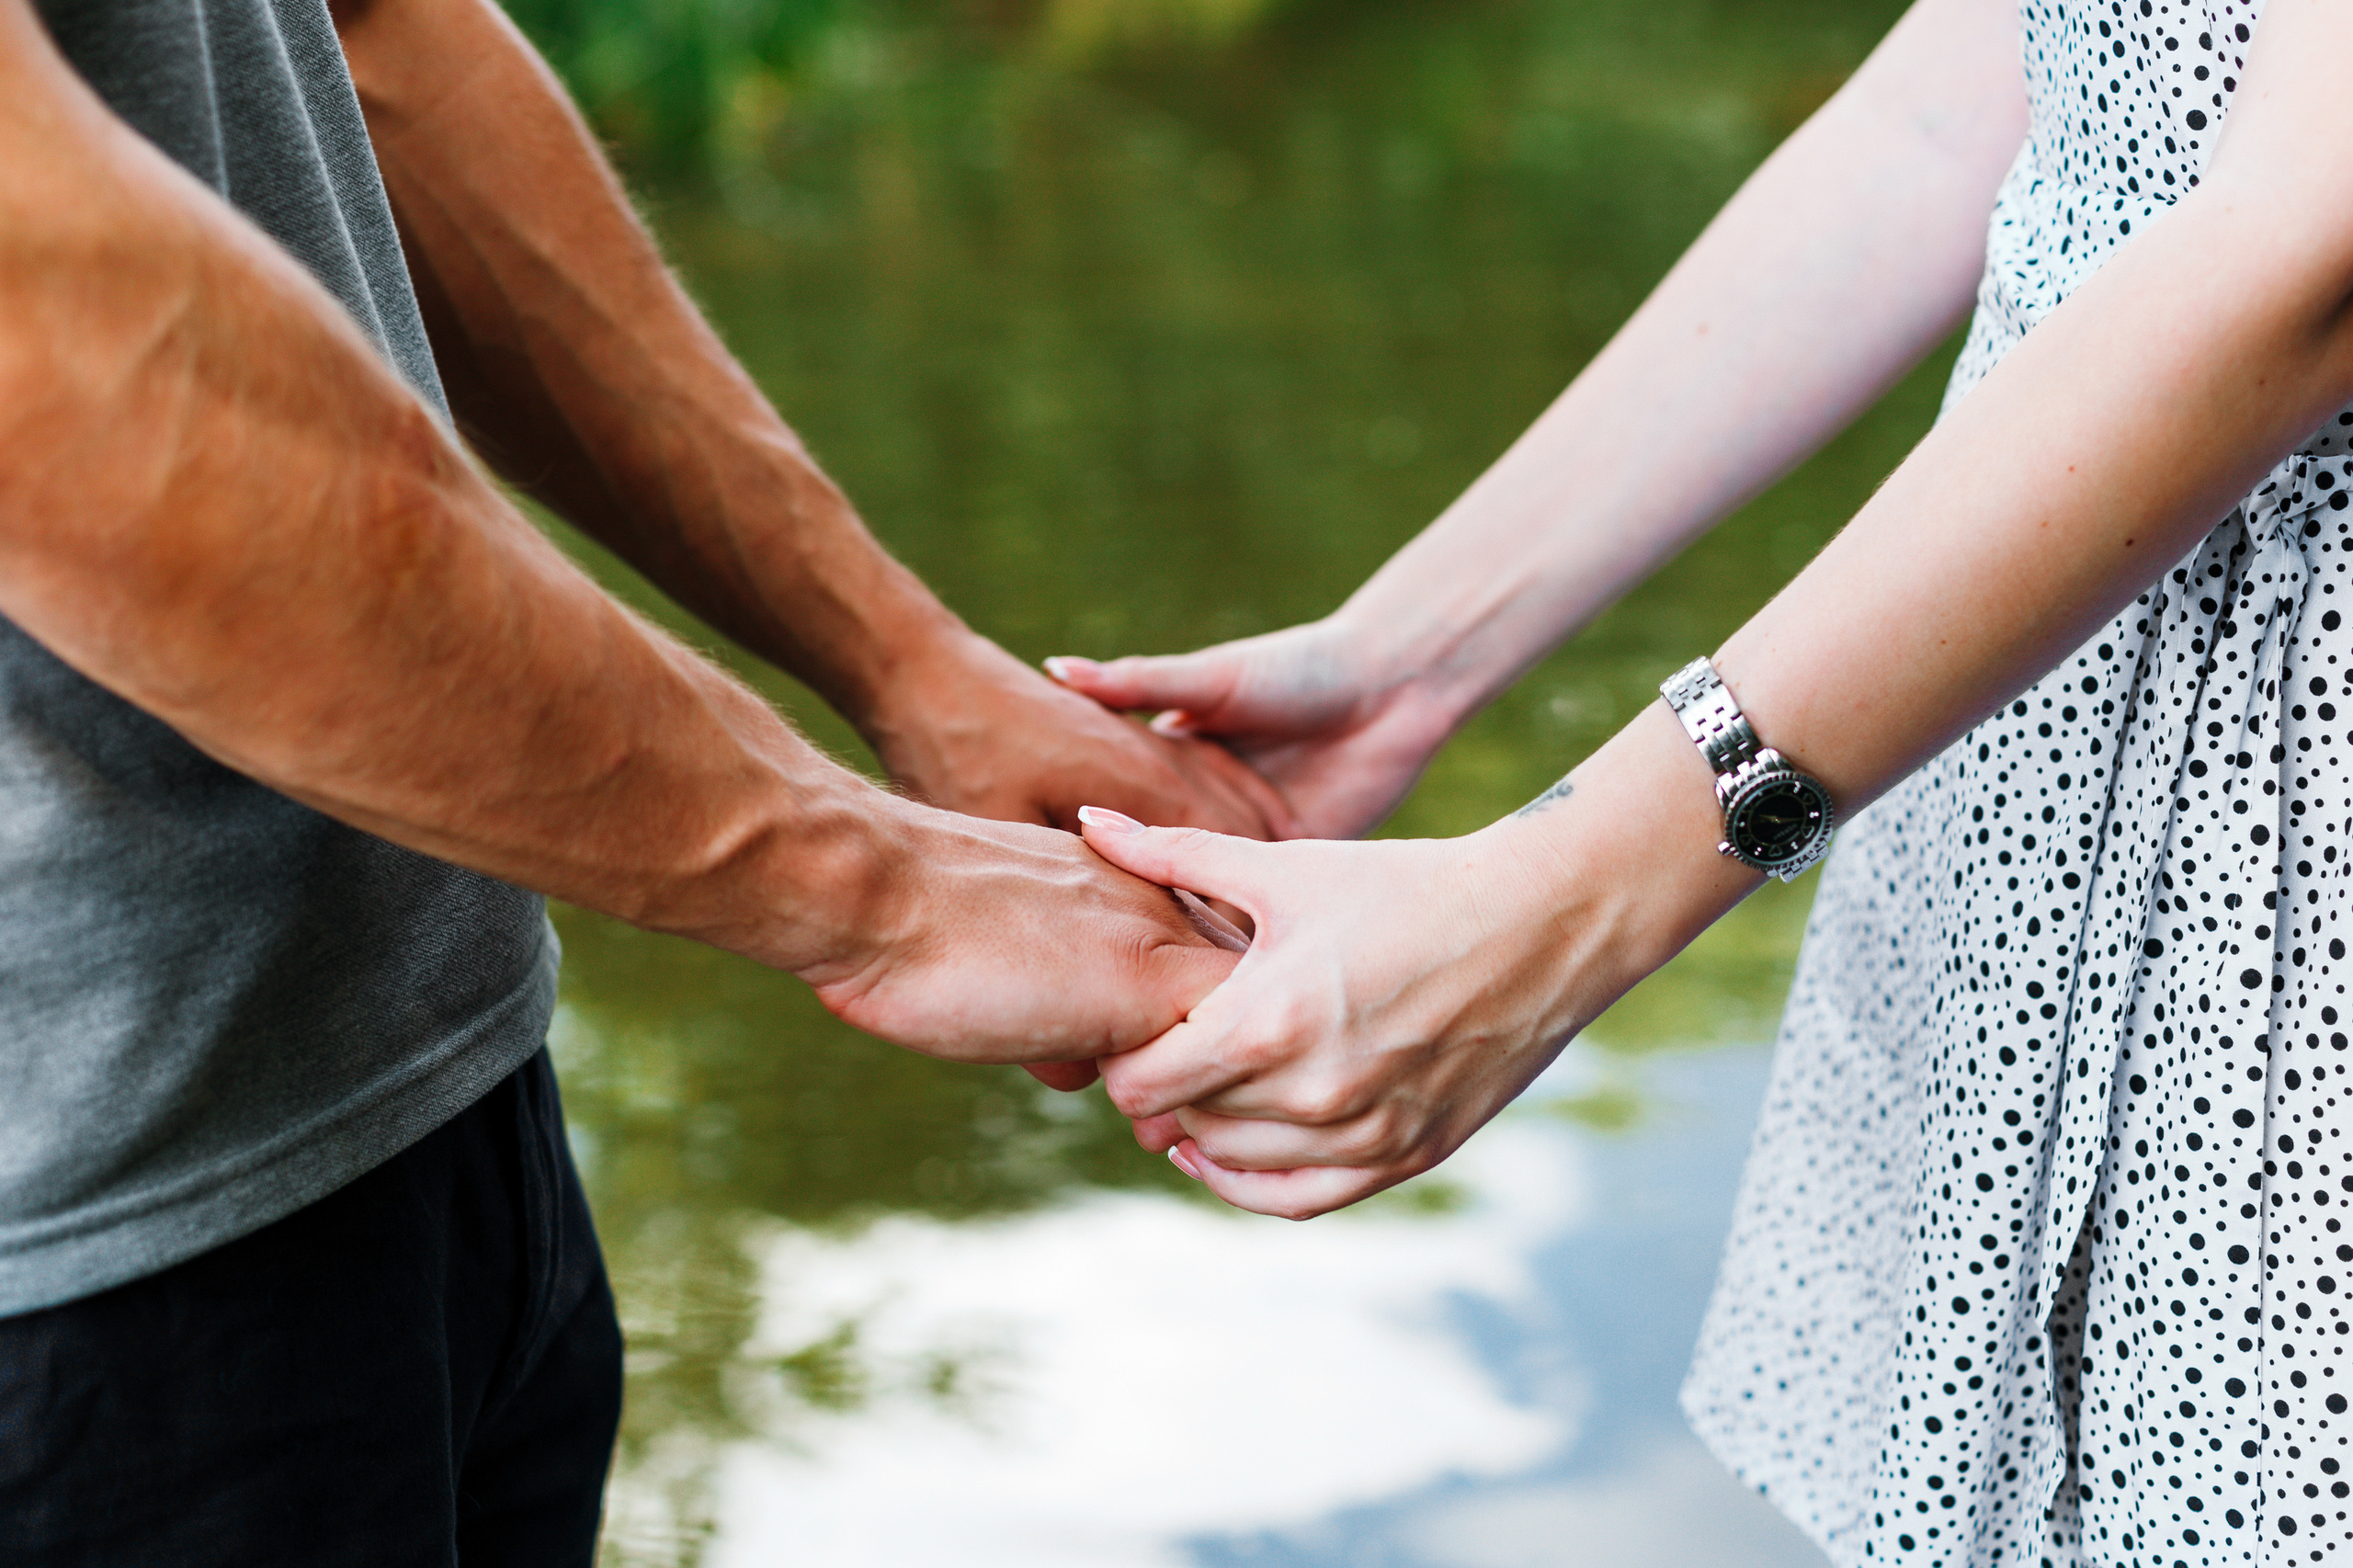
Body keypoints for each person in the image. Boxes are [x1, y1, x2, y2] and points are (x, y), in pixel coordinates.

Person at [1052, 0, 2353, 1559]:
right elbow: (1966, 108)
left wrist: (1563, 900)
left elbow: (2311, 246)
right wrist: (1413, 657)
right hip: (2028, 741)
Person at [0, 0, 1276, 1558]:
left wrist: (909, 667)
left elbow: (364, 43)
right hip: (72, 1250)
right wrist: (884, 891)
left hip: (435, 1107)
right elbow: (47, 354)